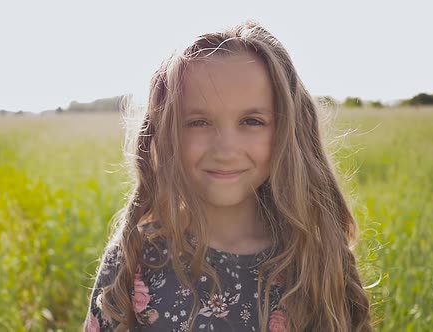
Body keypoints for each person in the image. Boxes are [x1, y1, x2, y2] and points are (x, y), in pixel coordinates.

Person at [84, 21, 372, 332]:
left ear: (289, 132)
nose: (225, 149)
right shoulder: (137, 256)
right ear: (165, 131)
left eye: (251, 121)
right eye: (198, 121)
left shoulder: (315, 256)